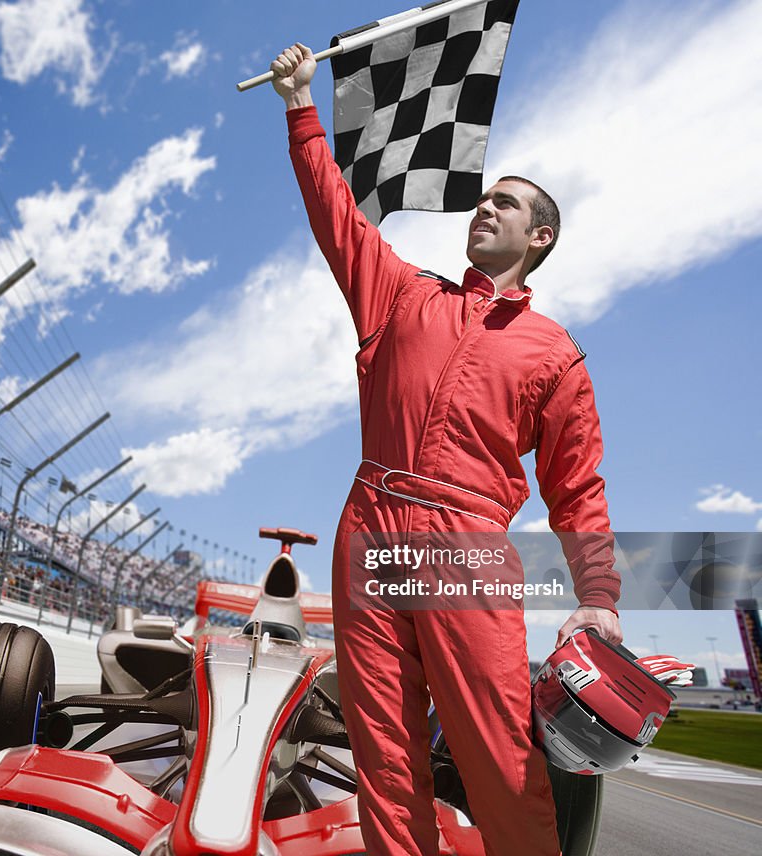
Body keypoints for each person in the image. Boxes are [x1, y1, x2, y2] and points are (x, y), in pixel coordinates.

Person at [270, 44, 622, 855]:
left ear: (539, 236)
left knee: (498, 753)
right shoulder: (401, 294)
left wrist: (597, 592)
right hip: (370, 526)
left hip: (465, 543)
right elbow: (334, 213)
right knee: (386, 760)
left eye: (504, 204)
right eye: (481, 199)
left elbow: (578, 486)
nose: (482, 209)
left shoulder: (553, 351)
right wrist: (299, 108)